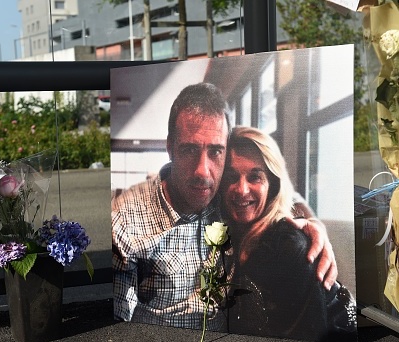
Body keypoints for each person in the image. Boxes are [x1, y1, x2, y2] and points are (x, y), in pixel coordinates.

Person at [112, 82, 337, 330]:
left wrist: (312, 226)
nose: (203, 171)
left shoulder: (223, 200)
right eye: (189, 150)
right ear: (170, 149)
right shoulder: (126, 227)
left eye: (216, 152)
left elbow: (281, 195)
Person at [221, 126, 357, 340]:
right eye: (231, 177)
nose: (242, 189)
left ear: (272, 185)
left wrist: (312, 226)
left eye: (255, 177)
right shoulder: (227, 232)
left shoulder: (289, 247)